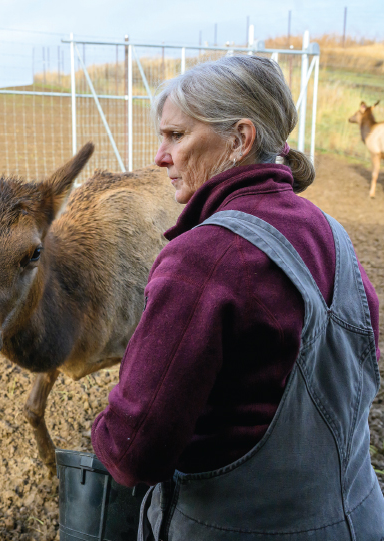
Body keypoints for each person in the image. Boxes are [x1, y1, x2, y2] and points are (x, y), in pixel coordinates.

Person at [90, 55, 384, 540]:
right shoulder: (332, 233)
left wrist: (108, 427)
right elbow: (358, 365)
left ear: (240, 139)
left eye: (177, 136)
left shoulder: (202, 259)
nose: (160, 156)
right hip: (360, 519)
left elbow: (133, 453)